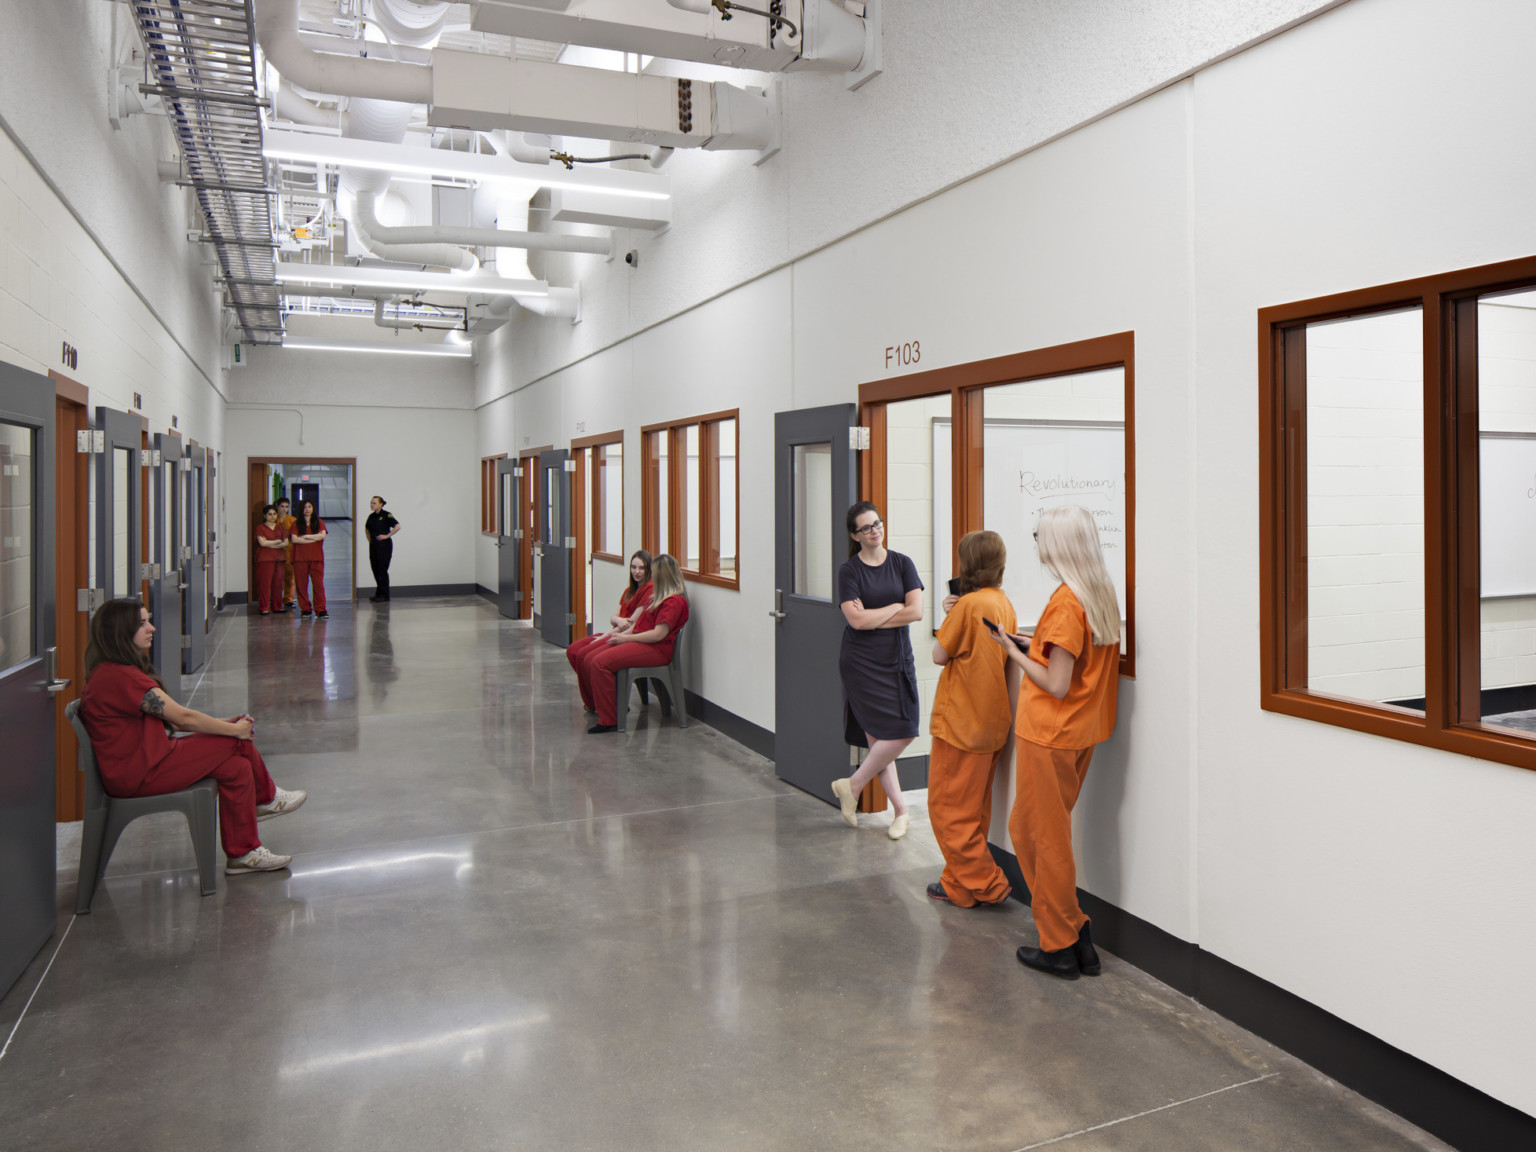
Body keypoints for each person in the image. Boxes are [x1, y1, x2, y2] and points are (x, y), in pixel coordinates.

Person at [78, 598, 307, 874]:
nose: (151, 628)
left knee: (235, 767)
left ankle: (243, 853)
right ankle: (266, 799)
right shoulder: (121, 677)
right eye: (141, 623)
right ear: (119, 631)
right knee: (235, 742)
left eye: (148, 620)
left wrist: (223, 722)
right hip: (142, 773)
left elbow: (176, 719)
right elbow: (182, 718)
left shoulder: (111, 672)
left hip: (146, 763)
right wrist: (234, 730)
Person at [992, 504, 1121, 980]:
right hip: (1079, 732)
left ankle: (1060, 945)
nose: (1037, 543)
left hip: (1050, 734)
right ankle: (1076, 935)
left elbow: (1057, 683)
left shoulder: (1067, 601)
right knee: (1039, 830)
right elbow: (1072, 662)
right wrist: (1033, 643)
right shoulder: (1099, 592)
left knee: (1038, 836)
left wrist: (1011, 650)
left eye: (1040, 535)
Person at [927, 530, 1020, 906]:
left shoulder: (967, 606)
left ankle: (988, 883)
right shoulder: (1003, 603)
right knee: (974, 810)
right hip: (993, 721)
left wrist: (952, 612)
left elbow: (939, 654)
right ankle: (958, 884)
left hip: (961, 724)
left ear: (968, 565)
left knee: (947, 811)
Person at [829, 501, 925, 841]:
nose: (875, 530)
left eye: (878, 523)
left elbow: (916, 613)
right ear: (855, 535)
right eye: (867, 527)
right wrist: (894, 607)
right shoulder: (849, 571)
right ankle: (901, 811)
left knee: (905, 729)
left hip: (897, 659)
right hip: (861, 664)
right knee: (879, 739)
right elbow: (855, 620)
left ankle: (851, 786)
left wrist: (877, 616)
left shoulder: (902, 564)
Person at [583, 554, 688, 734]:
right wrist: (617, 635)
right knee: (592, 657)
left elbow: (658, 634)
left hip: (656, 649)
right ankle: (602, 708)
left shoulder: (674, 601)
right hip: (641, 642)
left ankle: (610, 719)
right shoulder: (656, 598)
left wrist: (625, 639)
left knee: (600, 663)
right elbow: (637, 625)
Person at [567, 550, 653, 713]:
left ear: (648, 570)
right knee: (573, 651)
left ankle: (604, 704)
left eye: (641, 568)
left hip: (624, 637)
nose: (636, 572)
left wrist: (606, 635)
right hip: (615, 631)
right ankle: (595, 699)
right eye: (633, 567)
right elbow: (614, 618)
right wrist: (618, 620)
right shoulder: (629, 591)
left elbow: (631, 625)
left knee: (586, 656)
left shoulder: (649, 590)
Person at [291, 498, 329, 618]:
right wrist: (314, 538)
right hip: (300, 558)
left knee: (318, 585)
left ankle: (321, 609)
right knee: (301, 585)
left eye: (309, 507)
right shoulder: (296, 524)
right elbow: (295, 539)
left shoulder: (319, 522)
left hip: (316, 558)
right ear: (301, 509)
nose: (307, 509)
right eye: (305, 507)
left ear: (313, 508)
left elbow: (322, 536)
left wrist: (306, 536)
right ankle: (306, 609)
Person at [252, 504, 289, 615]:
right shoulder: (260, 528)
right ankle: (264, 607)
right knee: (264, 583)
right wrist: (278, 542)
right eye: (269, 514)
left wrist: (270, 544)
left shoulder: (280, 528)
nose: (272, 516)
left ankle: (277, 606)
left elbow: (286, 543)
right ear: (265, 515)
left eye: (274, 514)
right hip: (265, 559)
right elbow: (262, 543)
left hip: (279, 559)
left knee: (278, 583)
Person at [365, 495, 401, 603]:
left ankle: (385, 595)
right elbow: (367, 529)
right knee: (375, 569)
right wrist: (369, 540)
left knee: (382, 570)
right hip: (374, 546)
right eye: (371, 503)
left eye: (374, 503)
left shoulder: (386, 515)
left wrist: (387, 536)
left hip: (384, 547)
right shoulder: (371, 516)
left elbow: (397, 526)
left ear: (381, 504)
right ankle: (379, 593)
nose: (372, 505)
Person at [275, 497, 298, 611]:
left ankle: (288, 599)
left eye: (286, 507)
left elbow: (296, 536)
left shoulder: (293, 520)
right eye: (282, 506)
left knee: (289, 576)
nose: (284, 509)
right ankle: (275, 598)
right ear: (277, 507)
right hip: (276, 551)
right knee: (276, 576)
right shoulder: (274, 519)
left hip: (289, 551)